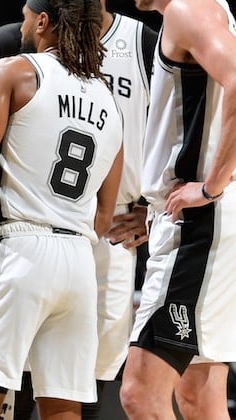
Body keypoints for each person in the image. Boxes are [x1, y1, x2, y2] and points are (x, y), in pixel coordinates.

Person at [0, 1, 156, 419]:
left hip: (17, 247)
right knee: (65, 409)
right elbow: (104, 215)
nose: (19, 25)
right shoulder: (107, 99)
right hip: (80, 260)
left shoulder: (13, 71)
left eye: (23, 16)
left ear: (43, 21)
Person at [119, 0, 236, 419]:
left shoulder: (187, 8)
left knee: (140, 395)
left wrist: (212, 185)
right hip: (203, 223)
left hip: (199, 226)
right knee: (199, 401)